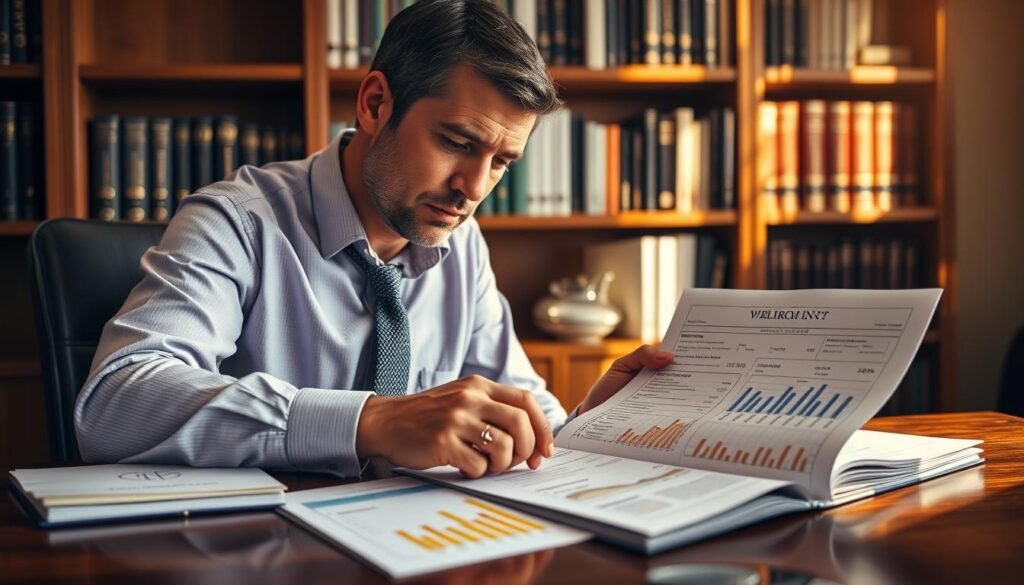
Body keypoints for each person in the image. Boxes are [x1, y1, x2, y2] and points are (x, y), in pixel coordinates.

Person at [77, 0, 674, 478]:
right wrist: (369, 421)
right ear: (375, 103)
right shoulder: (237, 221)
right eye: (458, 143)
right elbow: (114, 403)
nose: (472, 188)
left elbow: (516, 414)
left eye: (501, 163)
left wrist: (591, 424)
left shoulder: (461, 242)